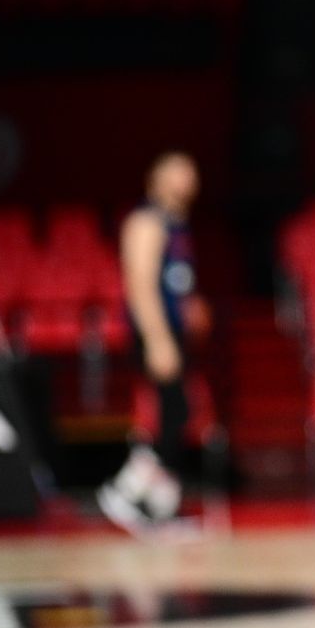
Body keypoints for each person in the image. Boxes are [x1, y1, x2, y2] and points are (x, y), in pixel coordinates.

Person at [98, 151, 210, 531]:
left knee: (178, 416)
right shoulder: (146, 221)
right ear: (156, 178)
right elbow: (140, 285)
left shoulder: (178, 224)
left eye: (191, 173)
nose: (187, 180)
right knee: (171, 413)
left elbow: (174, 282)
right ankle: (125, 490)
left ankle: (163, 506)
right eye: (178, 172)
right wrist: (158, 340)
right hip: (154, 333)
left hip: (174, 333)